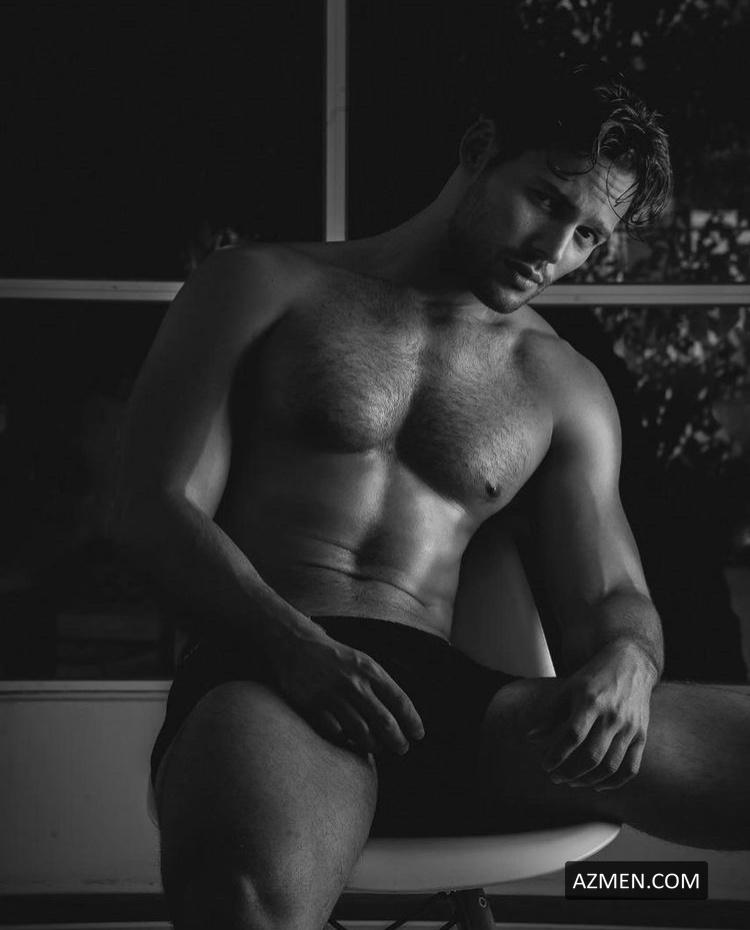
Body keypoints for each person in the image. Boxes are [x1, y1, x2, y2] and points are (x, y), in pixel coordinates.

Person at [117, 60, 750, 930]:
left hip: (457, 707)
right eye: (545, 200)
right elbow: (151, 508)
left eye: (588, 237)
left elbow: (609, 595)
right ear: (480, 149)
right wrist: (290, 645)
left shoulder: (561, 382)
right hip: (270, 673)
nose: (555, 249)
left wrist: (629, 664)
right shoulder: (261, 286)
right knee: (242, 903)